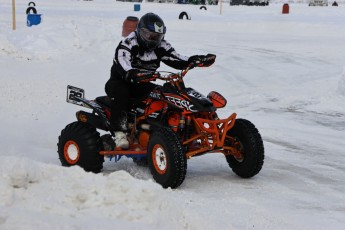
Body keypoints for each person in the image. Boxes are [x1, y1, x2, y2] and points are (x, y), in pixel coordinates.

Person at [105, 12, 215, 149]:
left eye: (157, 36)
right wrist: (133, 73)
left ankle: (165, 131)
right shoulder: (127, 43)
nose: (153, 39)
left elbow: (178, 59)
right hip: (121, 82)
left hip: (143, 84)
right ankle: (119, 133)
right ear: (139, 31)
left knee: (164, 95)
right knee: (121, 92)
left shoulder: (160, 45)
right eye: (149, 35)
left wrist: (197, 59)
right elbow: (123, 65)